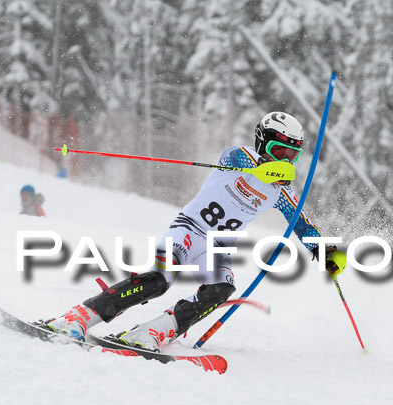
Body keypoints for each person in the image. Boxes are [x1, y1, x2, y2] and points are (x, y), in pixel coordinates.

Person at [41, 112, 346, 351]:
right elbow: (235, 159)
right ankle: (76, 318)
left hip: (217, 248)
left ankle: (152, 331)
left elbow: (304, 227)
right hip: (189, 230)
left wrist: (326, 253)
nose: (284, 160)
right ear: (261, 142)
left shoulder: (282, 192)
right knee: (159, 279)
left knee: (221, 288)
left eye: (291, 156)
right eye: (278, 150)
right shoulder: (239, 158)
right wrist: (267, 170)